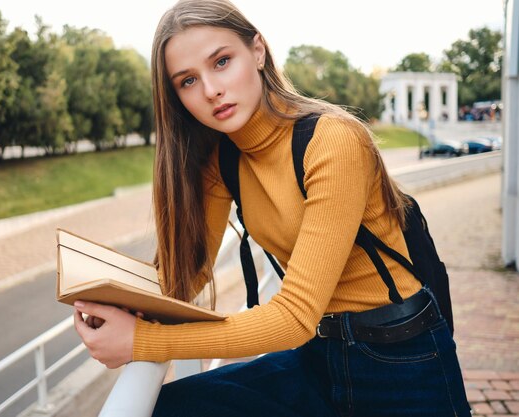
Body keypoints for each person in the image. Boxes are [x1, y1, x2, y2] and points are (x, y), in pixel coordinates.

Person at [73, 0, 471, 415]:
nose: (211, 90)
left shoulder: (334, 140)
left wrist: (142, 341)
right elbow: (189, 274)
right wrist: (111, 299)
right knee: (169, 408)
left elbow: (294, 315)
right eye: (188, 81)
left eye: (222, 61)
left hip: (401, 361)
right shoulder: (222, 160)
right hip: (319, 356)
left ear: (258, 52)